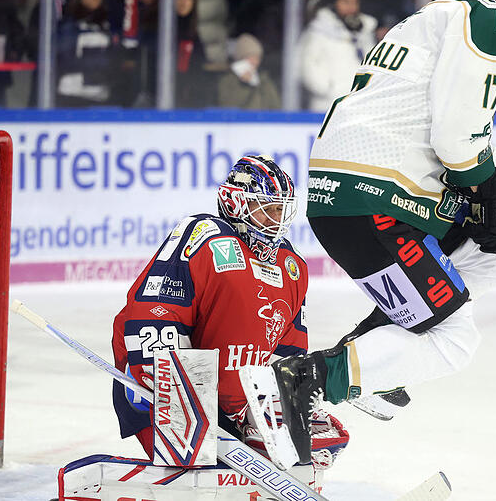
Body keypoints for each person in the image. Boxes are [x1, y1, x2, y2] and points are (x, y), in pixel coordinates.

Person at [240, 0, 496, 465]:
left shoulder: (422, 22)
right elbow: (457, 135)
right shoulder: (490, 19)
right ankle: (307, 379)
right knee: (455, 341)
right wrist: (487, 193)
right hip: (384, 201)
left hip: (350, 197)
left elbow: (470, 137)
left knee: (488, 255)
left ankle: (368, 357)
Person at [111, 155, 347, 491]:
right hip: (167, 392)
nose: (276, 220)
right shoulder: (205, 237)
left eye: (281, 210)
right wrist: (179, 399)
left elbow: (288, 351)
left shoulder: (292, 265)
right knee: (199, 469)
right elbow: (155, 316)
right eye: (266, 207)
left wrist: (286, 412)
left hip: (238, 409)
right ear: (235, 203)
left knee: (308, 446)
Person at [299, 0, 377, 112]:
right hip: (327, 106)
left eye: (355, 2)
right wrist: (328, 89)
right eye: (346, 2)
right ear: (334, 3)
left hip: (360, 106)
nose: (352, 7)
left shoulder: (365, 31)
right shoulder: (318, 31)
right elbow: (306, 65)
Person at [55, 0, 118, 107]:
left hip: (101, 97)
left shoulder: (107, 24)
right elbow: (64, 60)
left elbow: (114, 58)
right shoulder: (68, 25)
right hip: (72, 99)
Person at [217, 33, 281, 109]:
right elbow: (227, 107)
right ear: (241, 60)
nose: (255, 62)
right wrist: (244, 85)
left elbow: (276, 107)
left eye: (257, 58)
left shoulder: (264, 80)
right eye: (250, 58)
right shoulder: (227, 81)